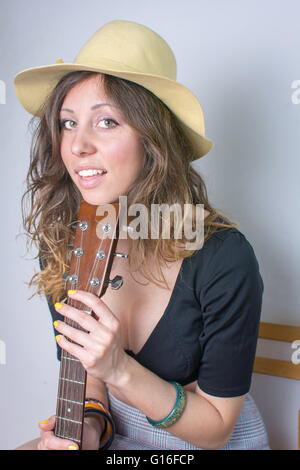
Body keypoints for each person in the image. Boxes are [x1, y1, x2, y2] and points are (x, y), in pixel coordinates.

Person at [14, 20, 270, 450]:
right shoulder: (63, 242)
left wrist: (120, 369)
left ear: (154, 141)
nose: (77, 146)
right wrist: (88, 430)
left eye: (107, 122)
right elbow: (88, 380)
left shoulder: (224, 257)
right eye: (68, 122)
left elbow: (215, 430)